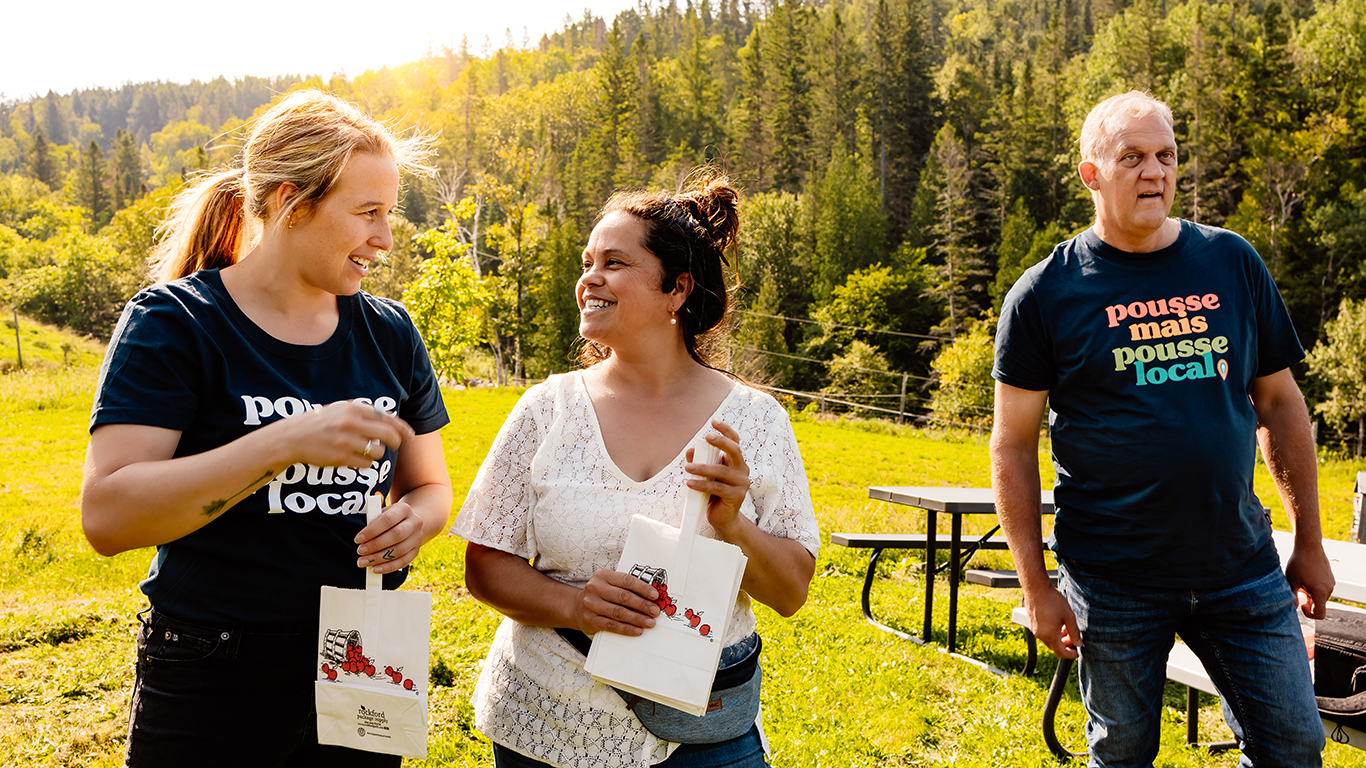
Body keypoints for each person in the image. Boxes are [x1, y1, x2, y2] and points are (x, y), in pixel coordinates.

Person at [80, 89, 453, 767]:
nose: (386, 238)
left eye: (388, 214)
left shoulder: (391, 334)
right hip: (215, 667)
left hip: (363, 654)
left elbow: (429, 487)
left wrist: (417, 522)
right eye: (367, 213)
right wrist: (282, 443)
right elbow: (108, 517)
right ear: (290, 204)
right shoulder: (175, 324)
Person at [990, 90, 1336, 767]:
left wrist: (1312, 542)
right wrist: (1035, 586)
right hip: (1113, 577)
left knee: (1294, 746)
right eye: (1132, 158)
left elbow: (1280, 405)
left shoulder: (1231, 262)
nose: (1155, 173)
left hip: (1241, 567)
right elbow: (1011, 445)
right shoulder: (1045, 294)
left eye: (1166, 156)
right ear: (1092, 175)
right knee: (1122, 756)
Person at [453, 176, 820, 768]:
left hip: (705, 735)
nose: (589, 279)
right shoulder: (546, 410)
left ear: (676, 289)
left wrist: (738, 530)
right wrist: (573, 607)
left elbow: (791, 593)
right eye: (587, 262)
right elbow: (485, 566)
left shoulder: (756, 420)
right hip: (547, 723)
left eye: (614, 263)